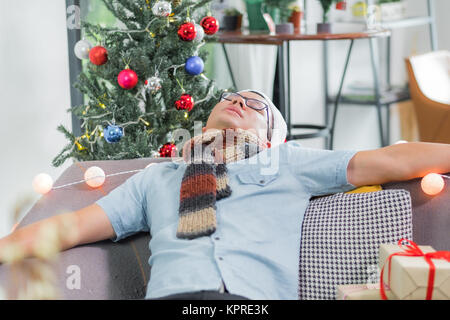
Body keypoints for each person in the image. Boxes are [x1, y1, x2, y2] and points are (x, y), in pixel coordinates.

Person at [0, 89, 449, 300]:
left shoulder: (289, 164)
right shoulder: (157, 179)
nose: (238, 102)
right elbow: (71, 226)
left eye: (256, 106)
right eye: (231, 98)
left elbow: (392, 159)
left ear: (274, 139)